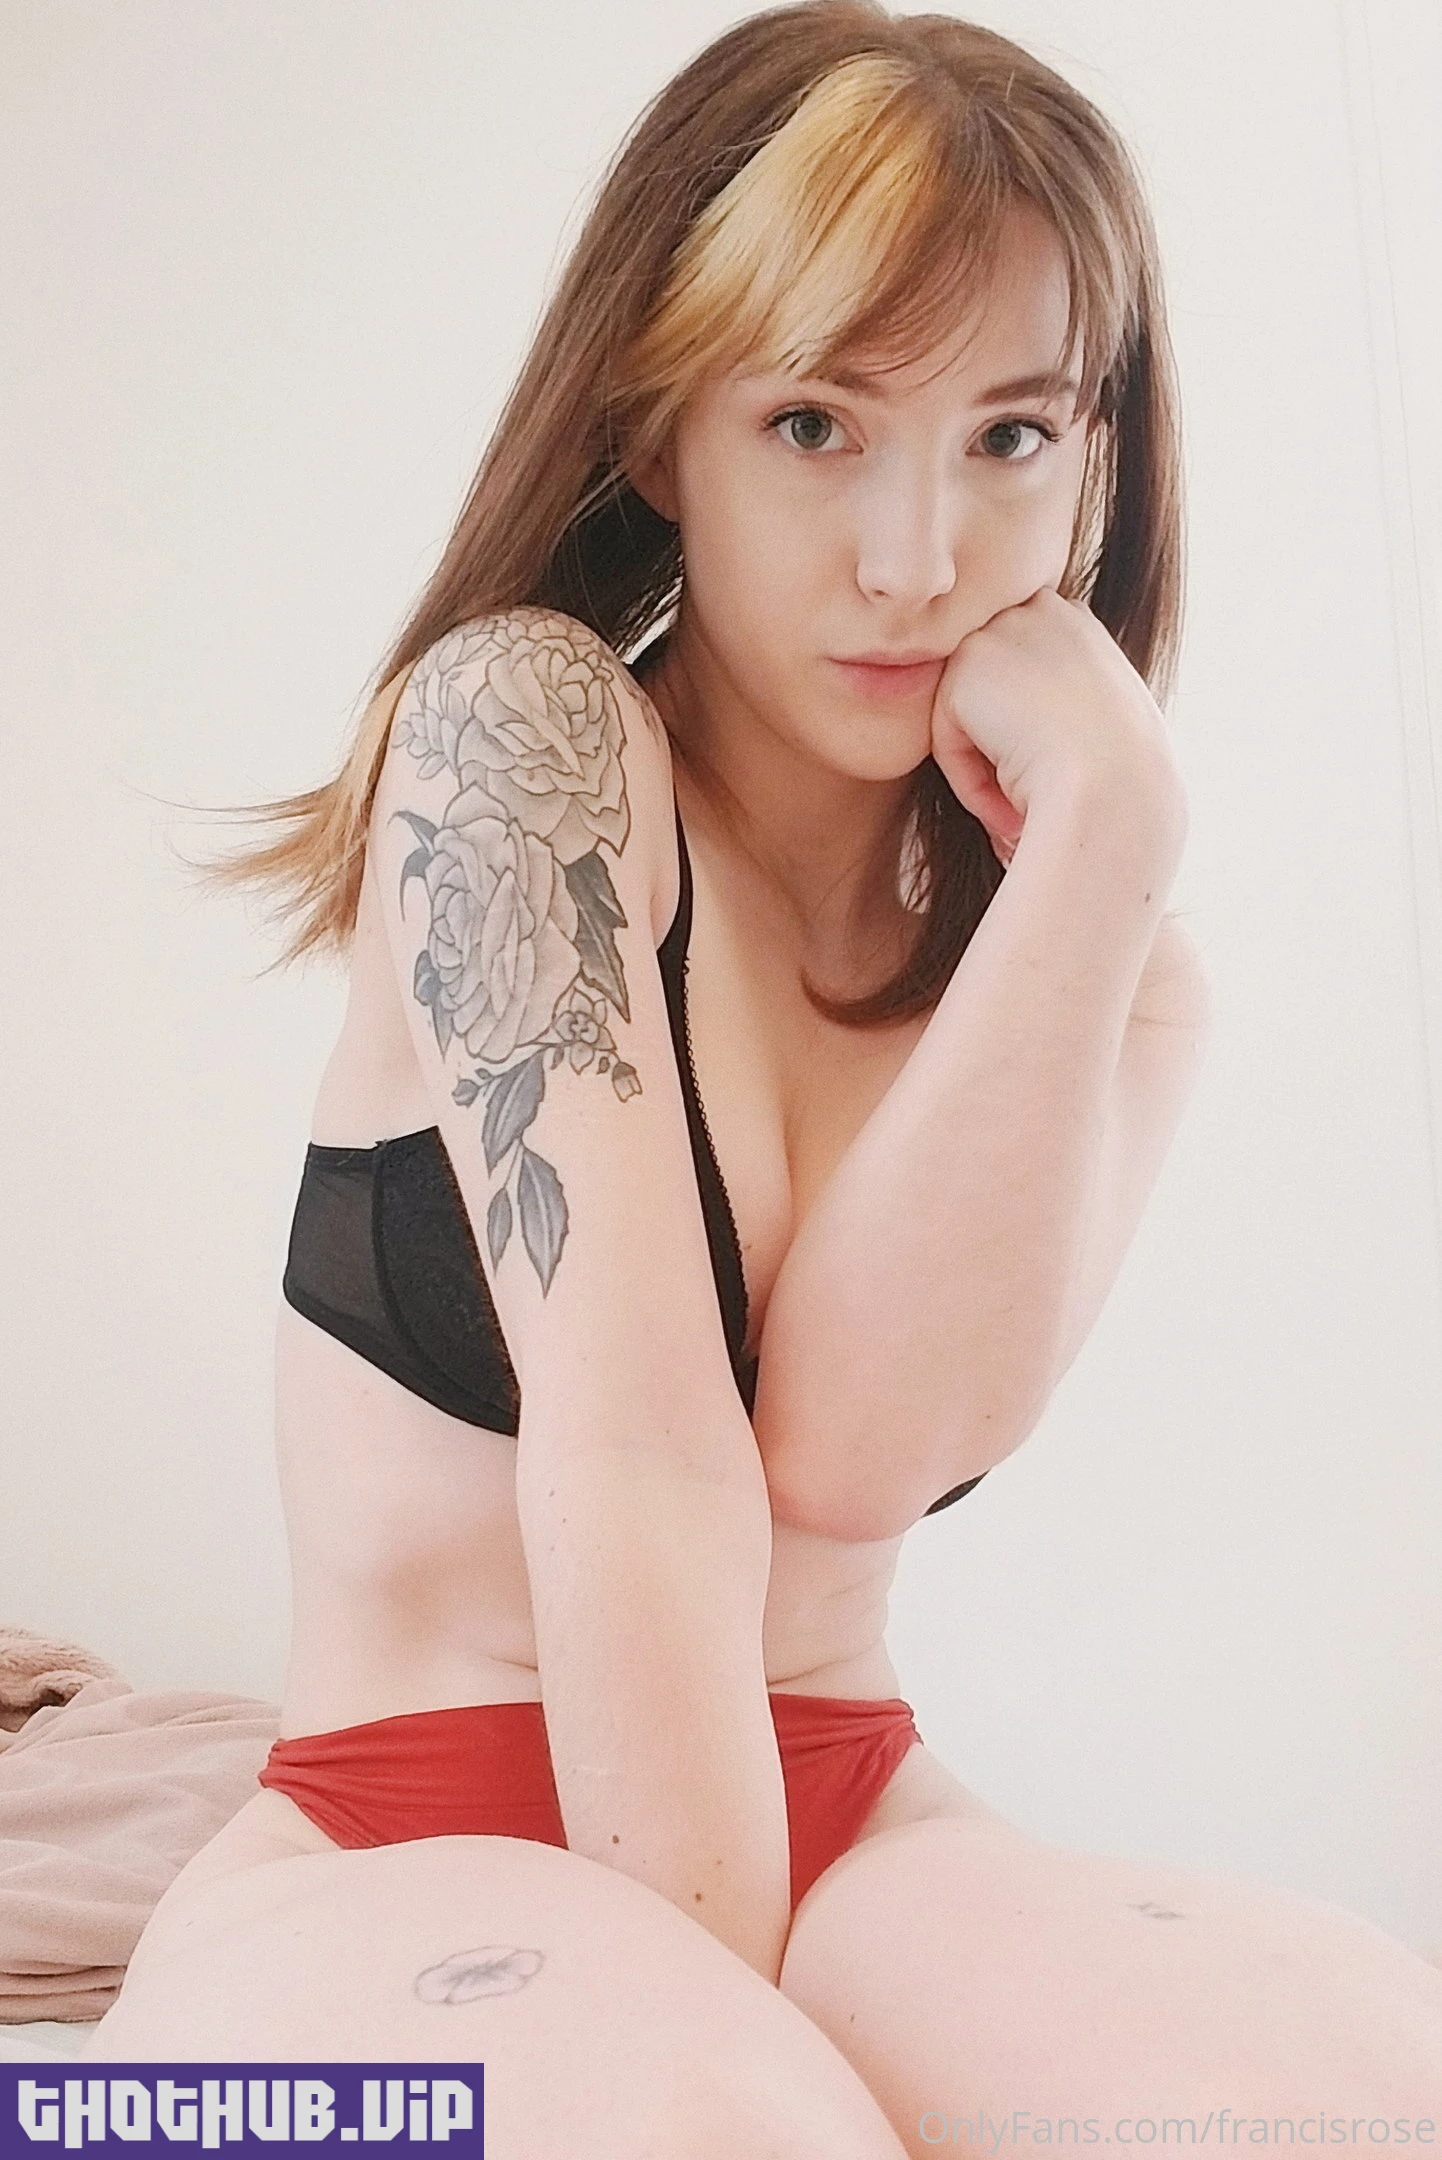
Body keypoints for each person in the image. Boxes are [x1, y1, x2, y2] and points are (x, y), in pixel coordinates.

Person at [82, 0, 1442, 2145]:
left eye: (1011, 436)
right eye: (816, 424)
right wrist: (736, 2054)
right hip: (394, 1829)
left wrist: (1106, 840)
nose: (917, 557)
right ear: (658, 435)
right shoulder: (521, 744)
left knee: (1363, 2092)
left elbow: (846, 1456)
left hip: (852, 1814)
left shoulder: (1115, 970)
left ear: (1099, 453)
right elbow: (641, 1464)